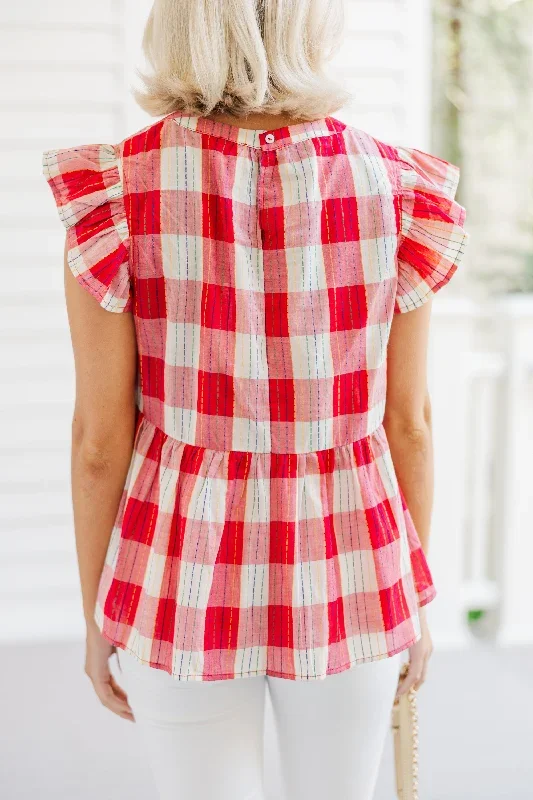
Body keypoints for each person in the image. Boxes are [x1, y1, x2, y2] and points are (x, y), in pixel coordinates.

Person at [42, 1, 469, 798]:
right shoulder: (396, 186)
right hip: (350, 555)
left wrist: (99, 613)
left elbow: (99, 439)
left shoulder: (116, 188)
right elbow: (406, 422)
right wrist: (408, 594)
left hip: (177, 559)